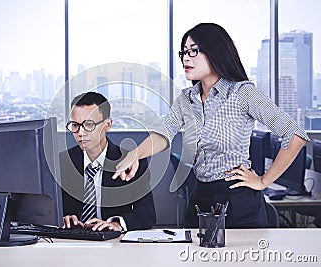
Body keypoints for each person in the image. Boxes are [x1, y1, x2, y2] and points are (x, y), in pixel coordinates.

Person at [112, 23, 310, 228]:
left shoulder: (242, 93)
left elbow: (295, 134)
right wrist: (135, 154)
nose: (185, 58)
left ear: (215, 52)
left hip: (238, 199)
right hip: (202, 196)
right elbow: (164, 134)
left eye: (193, 51)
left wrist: (263, 181)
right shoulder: (186, 99)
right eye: (184, 52)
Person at [60, 92, 156, 231]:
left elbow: (147, 215)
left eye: (89, 124)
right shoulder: (61, 162)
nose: (80, 133)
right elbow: (44, 212)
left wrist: (116, 224)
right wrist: (60, 219)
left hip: (114, 243)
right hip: (70, 242)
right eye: (75, 125)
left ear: (108, 124)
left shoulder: (130, 161)